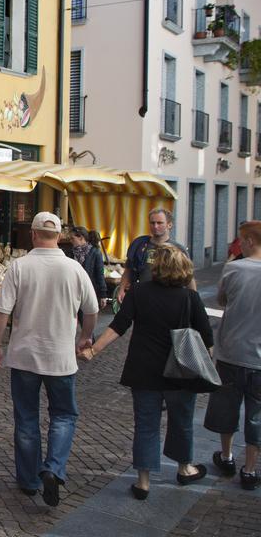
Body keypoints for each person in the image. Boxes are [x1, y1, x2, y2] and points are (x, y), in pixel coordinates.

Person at [80, 244, 212, 499]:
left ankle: (143, 481)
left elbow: (119, 326)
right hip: (181, 371)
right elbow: (206, 336)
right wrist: (209, 366)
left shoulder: (139, 291)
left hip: (144, 370)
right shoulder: (190, 297)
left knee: (146, 425)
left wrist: (93, 351)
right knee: (182, 422)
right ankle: (184, 468)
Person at [0, 212, 98, 506]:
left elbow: (2, 310)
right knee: (63, 415)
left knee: (26, 418)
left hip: (24, 356)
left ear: (33, 235)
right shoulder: (74, 268)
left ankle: (29, 480)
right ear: (58, 236)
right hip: (61, 357)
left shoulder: (20, 266)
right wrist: (85, 338)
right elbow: (92, 309)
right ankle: (53, 468)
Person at [204, 220, 261, 490]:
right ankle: (249, 470)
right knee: (256, 415)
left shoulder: (234, 268)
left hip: (231, 352)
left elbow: (221, 301)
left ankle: (226, 456)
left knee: (227, 407)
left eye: (242, 240)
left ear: (249, 241)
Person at [117, 208, 193, 302]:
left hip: (170, 300)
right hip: (143, 298)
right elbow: (128, 270)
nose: (155, 226)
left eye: (160, 223)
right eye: (152, 223)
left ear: (169, 225)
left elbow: (189, 277)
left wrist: (194, 299)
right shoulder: (139, 245)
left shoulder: (179, 250)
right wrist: (121, 289)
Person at [70, 226, 107, 311]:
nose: (70, 241)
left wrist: (103, 295)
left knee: (86, 319)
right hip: (73, 290)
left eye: (72, 238)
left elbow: (100, 274)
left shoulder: (95, 252)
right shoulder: (70, 252)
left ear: (81, 238)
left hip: (89, 290)